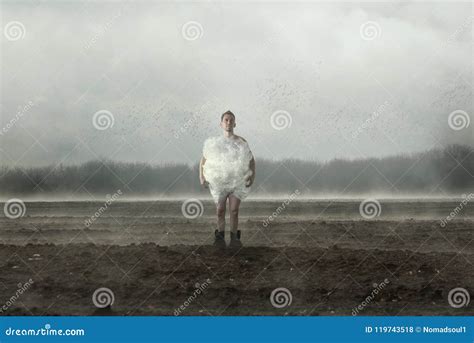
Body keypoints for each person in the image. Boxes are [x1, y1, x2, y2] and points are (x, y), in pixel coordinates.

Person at [199, 110, 256, 249]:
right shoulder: (214, 143)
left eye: (231, 120)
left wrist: (252, 176)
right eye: (226, 120)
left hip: (237, 181)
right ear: (221, 124)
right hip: (219, 182)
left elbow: (252, 160)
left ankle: (235, 239)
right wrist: (201, 176)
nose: (228, 122)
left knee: (234, 210)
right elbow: (203, 160)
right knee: (220, 210)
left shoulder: (242, 142)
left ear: (235, 123)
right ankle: (219, 239)